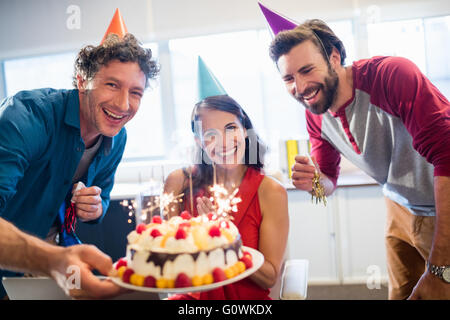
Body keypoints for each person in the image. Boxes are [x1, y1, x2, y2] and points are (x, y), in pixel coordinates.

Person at [264, 11, 450, 299]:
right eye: (288, 77)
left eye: (306, 70)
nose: (299, 88)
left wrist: (440, 269)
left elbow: (448, 156)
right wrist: (314, 182)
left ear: (334, 57)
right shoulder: (315, 115)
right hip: (397, 205)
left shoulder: (391, 76)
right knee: (402, 293)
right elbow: (328, 182)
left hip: (440, 205)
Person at [0, 30, 159, 299]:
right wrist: (54, 260)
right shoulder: (26, 117)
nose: (123, 104)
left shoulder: (116, 136)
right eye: (112, 85)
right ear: (81, 80)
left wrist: (96, 208)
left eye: (135, 92)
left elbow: (103, 195)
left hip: (54, 258)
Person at [164, 91, 289, 299]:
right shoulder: (178, 183)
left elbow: (269, 277)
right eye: (211, 134)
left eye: (231, 128)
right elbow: (168, 265)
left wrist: (227, 240)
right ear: (199, 142)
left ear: (245, 131)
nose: (223, 142)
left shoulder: (271, 192)